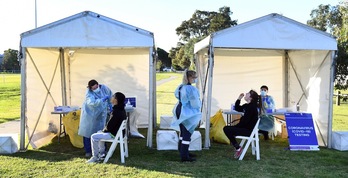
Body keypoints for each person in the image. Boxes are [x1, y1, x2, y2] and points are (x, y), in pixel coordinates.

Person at [87, 92, 127, 163]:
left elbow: (109, 126)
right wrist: (104, 130)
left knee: (94, 136)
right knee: (99, 134)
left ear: (116, 100)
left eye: (113, 97)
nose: (111, 98)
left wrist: (104, 130)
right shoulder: (122, 110)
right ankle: (102, 153)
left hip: (114, 134)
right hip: (119, 134)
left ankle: (95, 156)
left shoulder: (116, 111)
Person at [171, 70, 201, 162]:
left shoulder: (180, 87)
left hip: (179, 109)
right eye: (194, 77)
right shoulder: (191, 89)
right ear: (189, 78)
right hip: (187, 111)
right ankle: (184, 156)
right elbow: (195, 103)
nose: (195, 79)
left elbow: (176, 95)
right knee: (187, 132)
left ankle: (183, 151)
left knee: (183, 132)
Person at [78, 79, 113, 157]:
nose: (95, 89)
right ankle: (88, 151)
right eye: (93, 89)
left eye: (96, 87)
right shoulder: (89, 92)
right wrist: (102, 100)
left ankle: (103, 150)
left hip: (101, 115)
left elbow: (111, 96)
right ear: (90, 88)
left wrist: (111, 105)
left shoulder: (104, 88)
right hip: (90, 114)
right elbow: (91, 103)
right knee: (88, 132)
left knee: (102, 131)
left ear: (98, 84)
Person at [223, 90, 259, 159]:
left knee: (227, 129)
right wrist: (239, 99)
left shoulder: (252, 107)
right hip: (245, 128)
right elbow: (237, 108)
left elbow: (245, 122)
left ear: (251, 97)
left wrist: (236, 127)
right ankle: (237, 148)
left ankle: (238, 148)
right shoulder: (247, 106)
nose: (246, 94)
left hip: (248, 131)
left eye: (248, 93)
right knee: (228, 129)